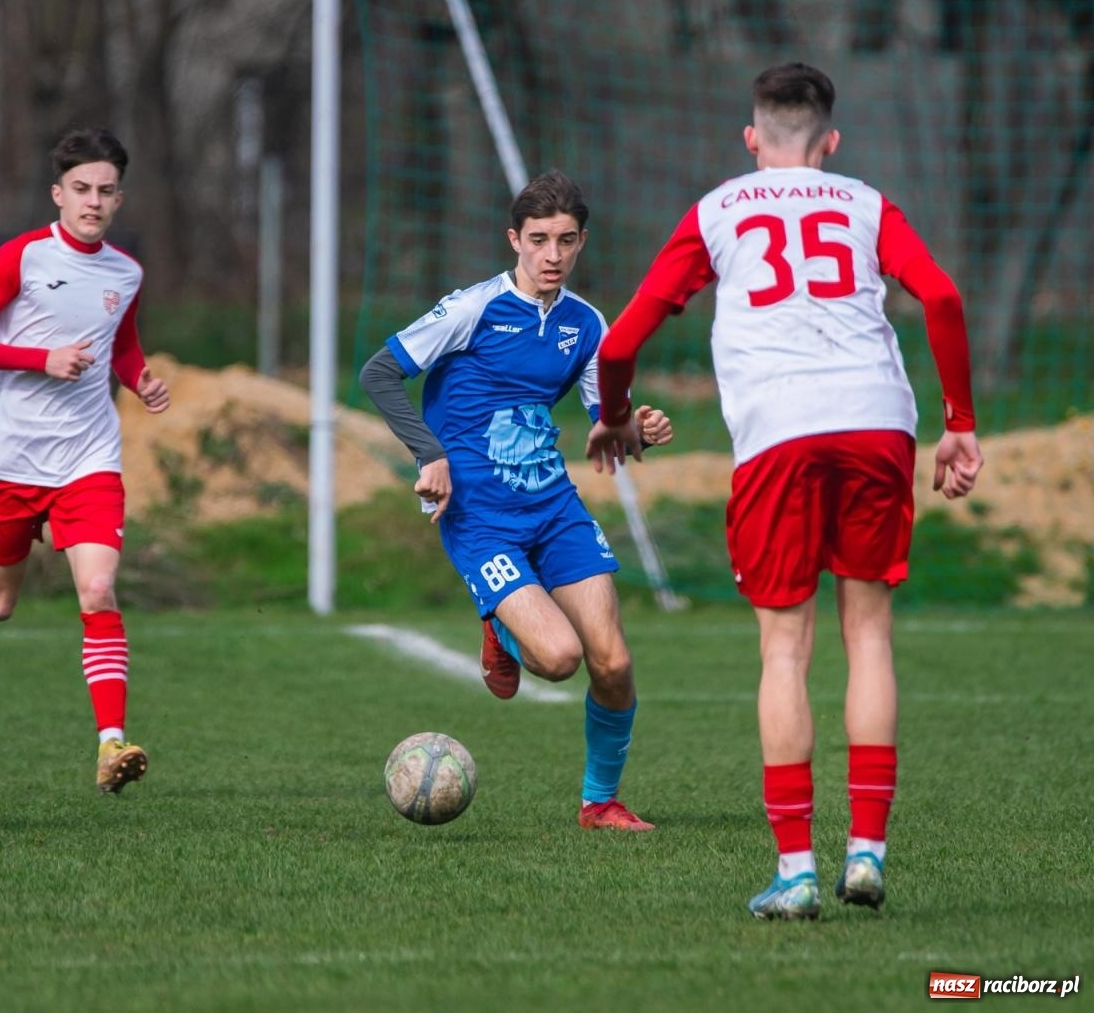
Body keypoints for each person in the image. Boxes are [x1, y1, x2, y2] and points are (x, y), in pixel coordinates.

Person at [585, 63, 984, 919]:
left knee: (784, 651)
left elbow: (618, 345)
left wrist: (615, 415)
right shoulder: (866, 202)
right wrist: (960, 421)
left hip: (778, 435)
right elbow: (943, 295)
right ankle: (868, 853)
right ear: (831, 143)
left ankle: (798, 869)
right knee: (869, 634)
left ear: (751, 139)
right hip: (877, 421)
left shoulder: (717, 211)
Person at [360, 170, 672, 833]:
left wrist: (632, 430)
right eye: (538, 240)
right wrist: (429, 452)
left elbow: (602, 421)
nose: (552, 255)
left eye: (565, 240)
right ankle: (496, 624)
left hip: (554, 507)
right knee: (558, 659)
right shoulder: (473, 308)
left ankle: (600, 803)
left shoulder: (588, 325)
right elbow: (379, 372)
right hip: (480, 515)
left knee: (612, 661)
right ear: (514, 239)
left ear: (582, 241)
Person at [0, 126, 170, 793]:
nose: (92, 201)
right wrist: (39, 359)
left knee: (98, 589)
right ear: (58, 193)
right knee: (0, 599)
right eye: (80, 189)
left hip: (88, 458)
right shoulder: (23, 257)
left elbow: (120, 345)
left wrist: (140, 378)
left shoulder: (126, 272)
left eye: (104, 191)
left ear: (119, 198)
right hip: (12, 458)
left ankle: (110, 744)